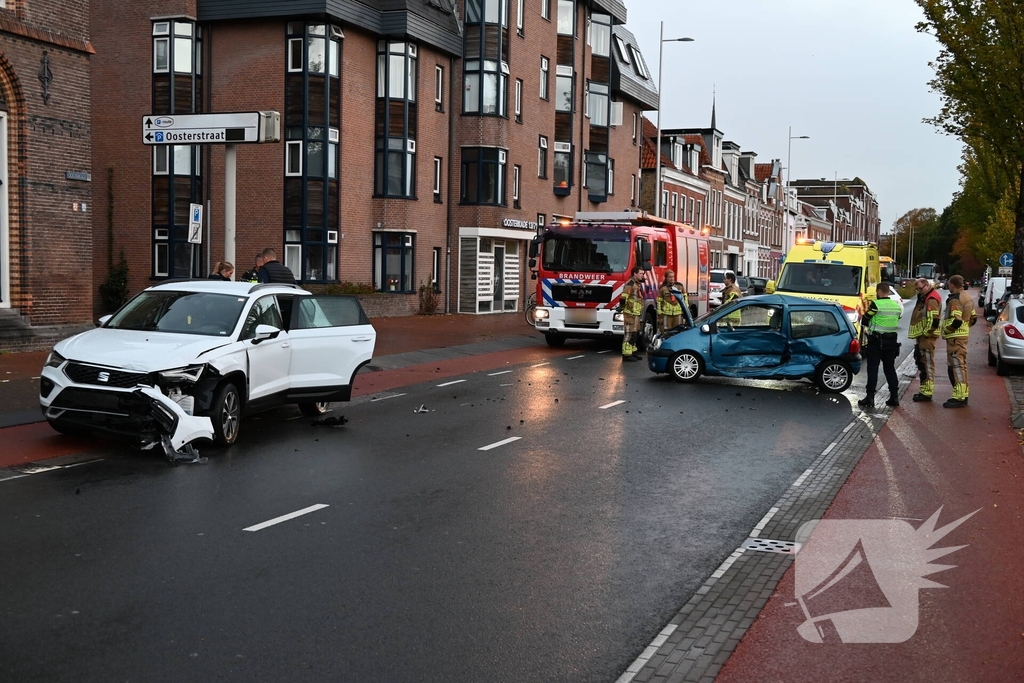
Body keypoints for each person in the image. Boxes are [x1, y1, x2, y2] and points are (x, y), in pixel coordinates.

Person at [857, 282, 903, 410]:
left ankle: (870, 397)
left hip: (876, 342)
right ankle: (894, 396)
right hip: (891, 342)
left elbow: (865, 319)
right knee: (890, 369)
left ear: (879, 291)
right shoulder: (896, 306)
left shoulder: (876, 305)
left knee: (873, 369)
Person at [940, 274, 977, 408]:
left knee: (956, 366)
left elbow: (957, 320)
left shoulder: (955, 299)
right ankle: (963, 393)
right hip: (963, 336)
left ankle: (959, 397)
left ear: (952, 285)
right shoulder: (967, 297)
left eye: (949, 285)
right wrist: (965, 328)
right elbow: (973, 317)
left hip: (954, 338)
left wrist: (947, 330)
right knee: (962, 365)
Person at [909, 277, 942, 401]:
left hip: (927, 337)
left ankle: (927, 392)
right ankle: (924, 390)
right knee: (922, 363)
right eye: (917, 289)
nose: (919, 291)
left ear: (927, 285)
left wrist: (926, 334)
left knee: (927, 365)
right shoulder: (925, 297)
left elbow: (934, 321)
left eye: (920, 288)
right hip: (923, 337)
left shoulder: (931, 299)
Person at [620, 266, 645, 362]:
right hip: (630, 314)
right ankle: (626, 354)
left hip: (636, 314)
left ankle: (633, 352)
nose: (642, 275)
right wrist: (623, 308)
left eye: (643, 274)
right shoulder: (630, 284)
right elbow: (623, 298)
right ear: (635, 273)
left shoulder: (637, 284)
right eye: (641, 273)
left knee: (635, 333)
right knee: (629, 333)